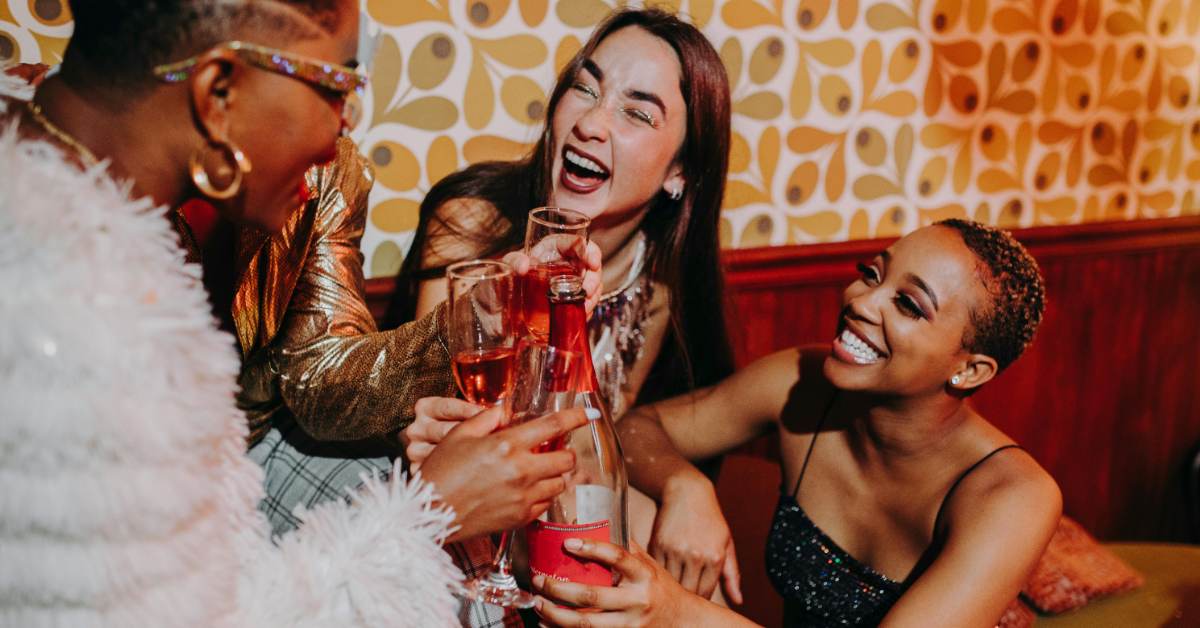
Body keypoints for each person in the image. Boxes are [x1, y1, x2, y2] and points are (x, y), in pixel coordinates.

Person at [0, 1, 585, 624]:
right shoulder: (55, 314)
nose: (345, 125)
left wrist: (487, 313)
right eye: (338, 84)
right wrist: (428, 510)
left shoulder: (93, 201)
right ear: (220, 92)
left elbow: (319, 372)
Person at [533, 220, 1063, 628]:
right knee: (636, 504)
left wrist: (680, 612)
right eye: (872, 273)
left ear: (969, 369)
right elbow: (636, 429)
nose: (861, 301)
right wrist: (684, 484)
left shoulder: (1016, 495)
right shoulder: (802, 380)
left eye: (907, 304)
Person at [396, 7, 744, 607]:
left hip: (548, 513)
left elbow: (593, 453)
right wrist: (516, 298)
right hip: (436, 514)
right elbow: (440, 430)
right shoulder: (471, 222)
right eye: (585, 87)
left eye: (636, 112)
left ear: (679, 173)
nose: (590, 122)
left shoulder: (653, 289)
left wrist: (687, 487)